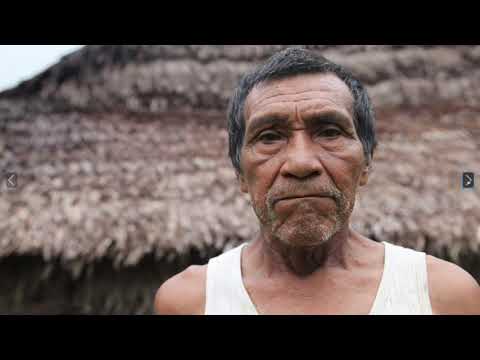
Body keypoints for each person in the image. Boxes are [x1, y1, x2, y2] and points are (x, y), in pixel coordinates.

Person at [154, 47, 480, 315]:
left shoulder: (442, 295)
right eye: (269, 137)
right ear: (240, 172)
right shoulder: (191, 301)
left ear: (366, 163)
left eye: (329, 132)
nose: (301, 163)